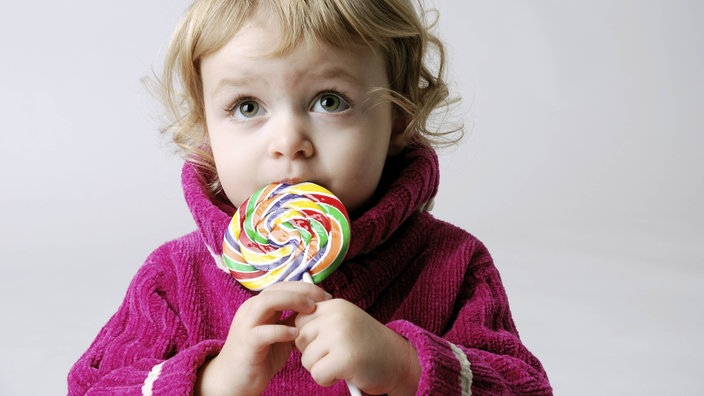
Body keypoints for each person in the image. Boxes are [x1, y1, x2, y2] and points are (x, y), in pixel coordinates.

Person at [68, 0, 552, 394]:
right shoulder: (173, 281)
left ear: (398, 121)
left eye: (329, 100)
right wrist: (210, 383)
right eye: (247, 106)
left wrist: (409, 368)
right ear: (205, 130)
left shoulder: (453, 264)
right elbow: (91, 386)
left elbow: (526, 388)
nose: (288, 140)